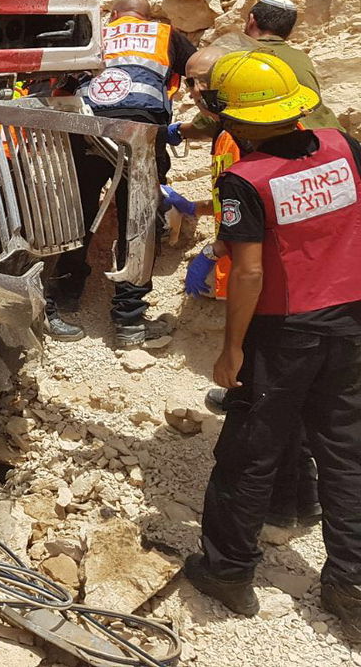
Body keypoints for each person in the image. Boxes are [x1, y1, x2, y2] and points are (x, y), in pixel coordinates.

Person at [184, 51, 361, 634]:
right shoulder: (342, 146)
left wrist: (231, 348)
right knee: (345, 452)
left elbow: (251, 273)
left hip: (285, 331)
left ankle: (228, 571)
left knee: (249, 453)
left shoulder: (245, 179)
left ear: (232, 114)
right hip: (350, 320)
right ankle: (351, 587)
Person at [176, 47, 321, 530]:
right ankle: (302, 501)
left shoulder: (253, 139)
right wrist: (201, 213)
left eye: (203, 83)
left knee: (266, 416)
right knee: (284, 404)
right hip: (263, 274)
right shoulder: (229, 135)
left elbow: (264, 211)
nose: (196, 92)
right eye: (191, 82)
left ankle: (268, 520)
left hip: (277, 289)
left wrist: (215, 250)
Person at [45, 0, 195, 347]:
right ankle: (129, 321)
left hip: (89, 129)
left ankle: (63, 297)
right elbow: (199, 71)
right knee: (138, 222)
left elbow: (61, 82)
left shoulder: (94, 34)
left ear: (114, 15)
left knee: (78, 213)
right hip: (140, 132)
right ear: (147, 16)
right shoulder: (165, 35)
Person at [243, 0, 341, 130]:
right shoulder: (301, 57)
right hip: (332, 133)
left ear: (251, 20)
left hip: (287, 137)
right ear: (289, 29)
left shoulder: (239, 57)